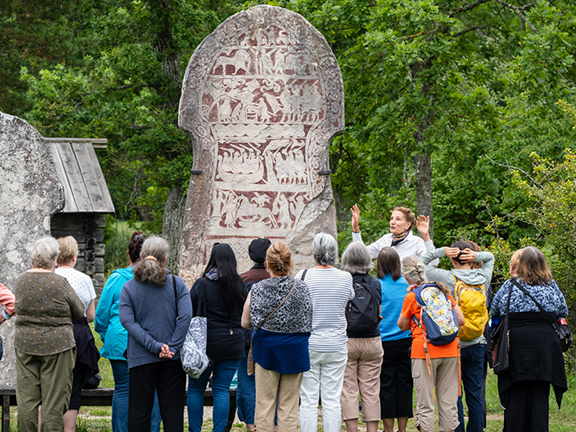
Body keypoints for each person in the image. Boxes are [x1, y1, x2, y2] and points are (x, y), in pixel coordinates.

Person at [119, 236, 192, 432]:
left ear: (141, 256)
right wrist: (172, 347)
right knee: (173, 414)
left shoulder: (129, 287)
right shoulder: (177, 284)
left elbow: (127, 321)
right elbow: (185, 317)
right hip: (171, 359)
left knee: (139, 413)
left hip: (140, 359)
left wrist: (153, 345)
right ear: (165, 259)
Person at [491, 246, 568, 432]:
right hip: (545, 348)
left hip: (516, 347)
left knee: (516, 395)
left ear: (522, 264)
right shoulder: (551, 286)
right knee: (540, 396)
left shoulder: (510, 286)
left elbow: (495, 311)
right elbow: (562, 312)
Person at [421, 241, 494, 432]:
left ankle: (458, 430)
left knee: (456, 394)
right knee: (475, 394)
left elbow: (420, 264)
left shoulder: (449, 277)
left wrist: (441, 252)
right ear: (470, 257)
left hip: (456, 344)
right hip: (478, 343)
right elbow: (490, 257)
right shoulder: (483, 278)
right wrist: (477, 257)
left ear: (452, 258)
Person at [14, 236, 85, 432]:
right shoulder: (60, 282)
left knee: (27, 400)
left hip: (25, 344)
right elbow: (79, 310)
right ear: (54, 258)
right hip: (58, 346)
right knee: (53, 401)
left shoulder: (20, 280)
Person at [241, 241, 313, 432]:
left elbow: (245, 322)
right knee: (288, 408)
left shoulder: (257, 289)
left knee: (264, 405)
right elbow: (308, 320)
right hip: (295, 350)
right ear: (290, 264)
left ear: (267, 264)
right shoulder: (303, 288)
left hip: (267, 351)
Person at [95, 231, 162, 432]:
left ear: (129, 253)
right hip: (151, 341)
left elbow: (101, 315)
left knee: (123, 390)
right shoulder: (159, 279)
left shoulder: (116, 279)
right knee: (154, 390)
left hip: (120, 338)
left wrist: (106, 335)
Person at [397, 255, 465, 432]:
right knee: (449, 403)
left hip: (424, 351)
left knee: (426, 403)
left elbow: (402, 325)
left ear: (406, 277)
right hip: (451, 350)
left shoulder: (413, 296)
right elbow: (461, 319)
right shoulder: (442, 290)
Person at [296, 233, 354, 432]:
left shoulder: (302, 276)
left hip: (309, 344)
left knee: (308, 399)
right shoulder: (346, 278)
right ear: (335, 254)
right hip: (336, 344)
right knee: (331, 399)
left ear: (313, 254)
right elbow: (349, 299)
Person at [187, 243, 248, 432]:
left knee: (196, 389)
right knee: (221, 390)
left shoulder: (202, 284)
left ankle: (195, 430)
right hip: (233, 345)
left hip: (205, 345)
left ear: (212, 259)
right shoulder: (240, 284)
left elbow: (189, 310)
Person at [55, 236, 100, 432]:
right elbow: (90, 315)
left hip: (54, 334)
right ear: (74, 257)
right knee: (73, 392)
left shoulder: (50, 277)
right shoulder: (85, 279)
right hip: (79, 338)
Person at [339, 242, 383, 432]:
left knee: (349, 388)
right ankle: (372, 430)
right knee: (371, 389)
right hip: (372, 340)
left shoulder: (343, 281)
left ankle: (352, 430)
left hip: (348, 340)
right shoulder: (375, 283)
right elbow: (378, 313)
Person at [236, 238, 272, 432]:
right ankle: (271, 424)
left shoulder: (242, 279)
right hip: (271, 339)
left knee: (247, 382)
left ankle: (251, 425)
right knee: (272, 383)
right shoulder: (275, 279)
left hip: (246, 339)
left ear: (250, 256)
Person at [376, 247, 413, 432]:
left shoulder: (377, 285)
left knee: (386, 386)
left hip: (384, 342)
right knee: (405, 384)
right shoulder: (406, 284)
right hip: (406, 340)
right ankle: (402, 428)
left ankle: (388, 429)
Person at [350, 205, 438, 265]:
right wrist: (355, 228)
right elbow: (361, 255)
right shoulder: (385, 239)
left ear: (407, 225)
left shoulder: (416, 242)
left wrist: (426, 236)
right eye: (391, 218)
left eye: (398, 219)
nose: (392, 222)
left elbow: (433, 263)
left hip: (408, 288)